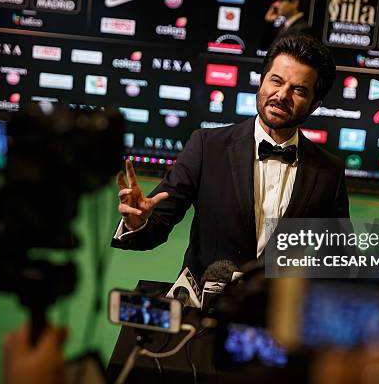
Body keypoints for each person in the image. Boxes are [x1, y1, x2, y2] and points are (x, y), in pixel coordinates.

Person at [112, 33, 349, 278]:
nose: (281, 95)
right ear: (262, 81)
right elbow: (157, 224)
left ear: (314, 104)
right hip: (205, 307)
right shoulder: (206, 147)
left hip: (279, 313)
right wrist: (137, 223)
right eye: (276, 81)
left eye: (298, 90)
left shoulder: (329, 172)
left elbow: (339, 258)